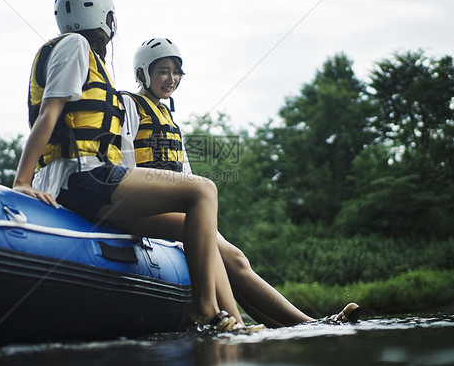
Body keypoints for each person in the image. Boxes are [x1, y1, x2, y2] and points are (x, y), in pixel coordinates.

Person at [11, 0, 255, 334]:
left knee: (197, 225)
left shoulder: (81, 53)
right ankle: (204, 310)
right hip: (83, 180)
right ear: (106, 18)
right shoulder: (76, 47)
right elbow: (49, 113)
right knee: (203, 190)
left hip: (92, 183)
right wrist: (21, 180)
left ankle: (233, 321)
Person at [120, 37, 360, 326]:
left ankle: (306, 324)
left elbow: (185, 174)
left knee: (236, 258)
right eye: (162, 71)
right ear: (142, 73)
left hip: (178, 209)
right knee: (222, 255)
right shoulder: (128, 105)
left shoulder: (169, 118)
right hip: (147, 205)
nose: (170, 79)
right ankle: (299, 323)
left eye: (176, 72)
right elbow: (124, 165)